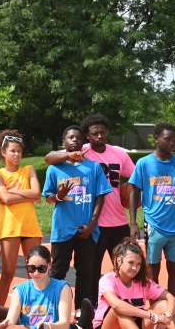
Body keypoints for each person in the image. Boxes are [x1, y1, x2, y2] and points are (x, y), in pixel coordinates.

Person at [48, 114, 134, 279]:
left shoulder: (120, 154)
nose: (100, 136)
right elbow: (49, 158)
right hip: (95, 223)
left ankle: (128, 301)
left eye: (102, 132)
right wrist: (68, 155)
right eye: (95, 133)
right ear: (87, 136)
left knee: (126, 267)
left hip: (118, 220)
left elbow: (137, 178)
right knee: (91, 271)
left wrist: (129, 193)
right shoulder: (80, 149)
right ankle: (90, 305)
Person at [127, 123, 175, 299]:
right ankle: (156, 306)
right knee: (152, 268)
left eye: (174, 139)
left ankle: (172, 308)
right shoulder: (144, 163)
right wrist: (133, 222)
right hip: (154, 225)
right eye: (167, 139)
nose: (172, 142)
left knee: (174, 268)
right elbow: (134, 191)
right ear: (156, 139)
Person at [43, 125, 111, 307]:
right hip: (62, 229)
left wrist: (92, 224)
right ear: (64, 142)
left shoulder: (93, 168)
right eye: (70, 137)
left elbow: (100, 197)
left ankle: (81, 312)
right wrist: (59, 196)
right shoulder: (54, 169)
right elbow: (49, 198)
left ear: (84, 143)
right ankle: (54, 309)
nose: (74, 140)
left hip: (86, 230)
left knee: (85, 273)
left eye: (78, 138)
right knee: (58, 271)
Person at [0, 129, 43, 305]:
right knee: (8, 272)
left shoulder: (29, 169)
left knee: (35, 272)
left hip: (30, 226)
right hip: (10, 228)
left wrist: (15, 192)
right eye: (12, 150)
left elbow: (37, 193)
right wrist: (26, 195)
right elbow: (5, 198)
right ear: (3, 152)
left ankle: (35, 312)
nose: (16, 154)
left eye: (19, 151)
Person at [93, 239, 175, 329]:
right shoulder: (107, 280)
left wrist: (167, 317)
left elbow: (172, 299)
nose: (135, 268)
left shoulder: (143, 282)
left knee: (165, 305)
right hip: (108, 326)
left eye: (138, 264)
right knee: (119, 310)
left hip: (136, 323)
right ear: (119, 260)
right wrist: (153, 316)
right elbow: (117, 305)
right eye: (131, 263)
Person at [0, 245, 74, 329]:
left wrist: (47, 326)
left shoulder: (63, 288)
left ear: (49, 265)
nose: (36, 273)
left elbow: (64, 324)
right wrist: (6, 325)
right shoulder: (19, 290)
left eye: (41, 268)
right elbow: (11, 320)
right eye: (32, 268)